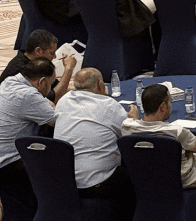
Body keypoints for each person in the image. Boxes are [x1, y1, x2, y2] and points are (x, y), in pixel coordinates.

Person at [54, 68, 138, 198]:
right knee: (137, 169)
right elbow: (129, 135)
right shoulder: (109, 105)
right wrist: (134, 119)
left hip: (65, 181)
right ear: (100, 85)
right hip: (98, 183)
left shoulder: (63, 101)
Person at [0, 58, 58, 221]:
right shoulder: (28, 96)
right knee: (58, 162)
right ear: (42, 82)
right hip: (9, 163)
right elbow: (58, 121)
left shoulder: (10, 81)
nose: (51, 88)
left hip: (1, 153)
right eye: (51, 83)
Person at [121, 84, 196, 188]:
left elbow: (134, 124)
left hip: (146, 179)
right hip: (182, 182)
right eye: (170, 102)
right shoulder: (176, 131)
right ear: (163, 107)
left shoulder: (127, 126)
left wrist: (134, 118)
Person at [0, 29, 76, 102]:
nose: (55, 57)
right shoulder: (21, 69)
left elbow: (56, 86)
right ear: (38, 51)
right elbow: (52, 98)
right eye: (52, 53)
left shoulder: (36, 63)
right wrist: (69, 69)